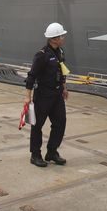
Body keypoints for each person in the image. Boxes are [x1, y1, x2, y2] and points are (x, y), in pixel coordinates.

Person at [25, 22, 70, 167]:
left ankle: (52, 152)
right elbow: (31, 76)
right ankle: (35, 155)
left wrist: (64, 87)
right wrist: (27, 97)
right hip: (43, 96)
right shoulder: (41, 55)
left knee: (60, 123)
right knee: (37, 126)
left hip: (57, 96)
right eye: (61, 36)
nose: (63, 38)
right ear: (54, 39)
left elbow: (62, 71)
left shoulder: (60, 52)